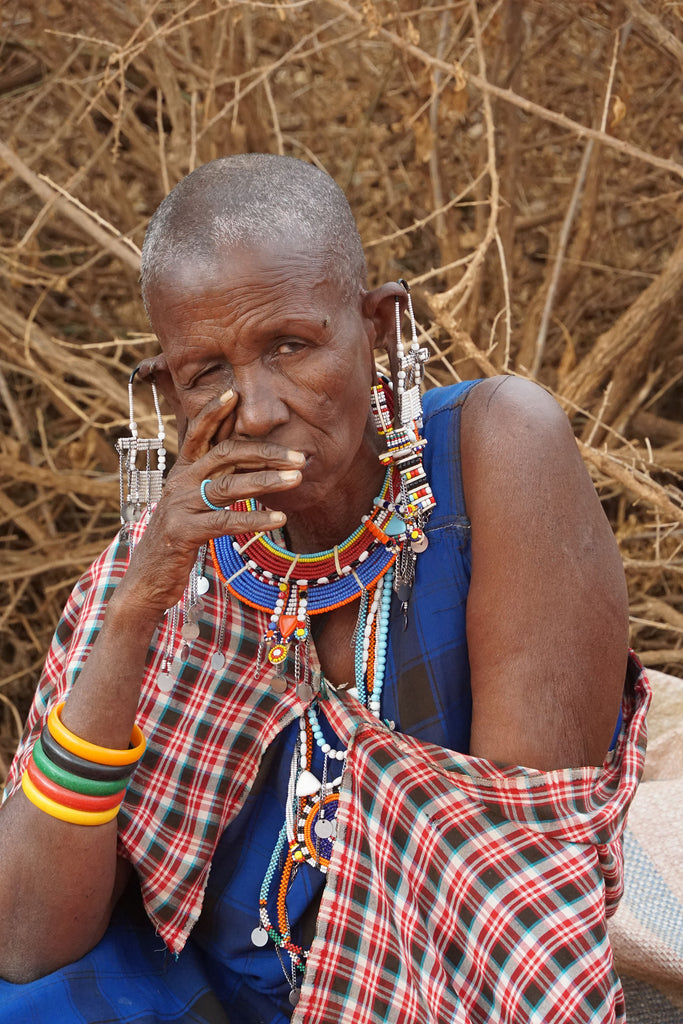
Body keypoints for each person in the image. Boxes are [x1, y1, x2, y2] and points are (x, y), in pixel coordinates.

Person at [0, 154, 648, 1024]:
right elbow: (26, 942)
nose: (257, 409)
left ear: (377, 326)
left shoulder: (493, 455)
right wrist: (135, 611)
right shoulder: (157, 563)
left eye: (290, 346)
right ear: (166, 391)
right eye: (206, 373)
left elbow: (503, 897)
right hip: (193, 995)